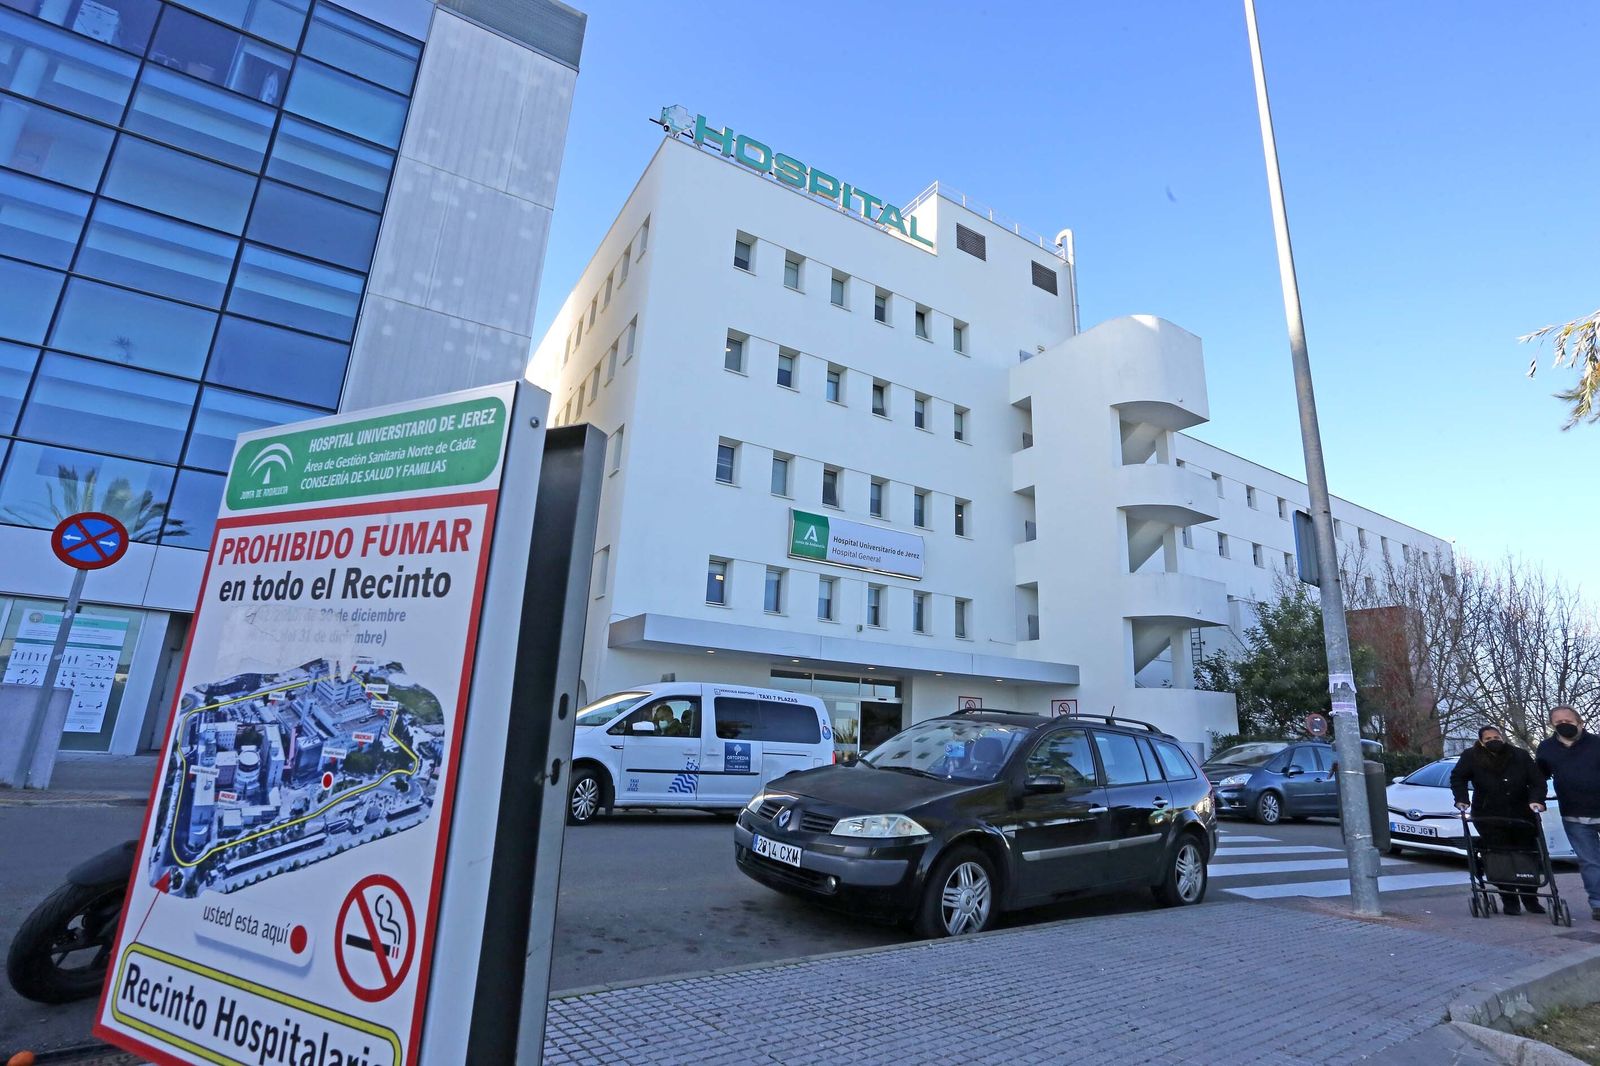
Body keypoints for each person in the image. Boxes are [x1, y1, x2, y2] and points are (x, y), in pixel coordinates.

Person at [1452, 724, 1547, 915]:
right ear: (1481, 741)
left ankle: (1530, 898)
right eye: (1488, 739)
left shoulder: (1519, 755)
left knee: (1526, 855)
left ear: (1502, 737)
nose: (1493, 741)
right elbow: (1458, 777)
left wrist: (1536, 800)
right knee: (1499, 857)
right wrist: (1462, 799)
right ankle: (1509, 898)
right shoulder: (1471, 756)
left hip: (1521, 814)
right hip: (1489, 814)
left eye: (1496, 737)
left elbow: (1537, 781)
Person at [1536, 706, 1600, 921]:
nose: (1564, 724)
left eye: (1568, 720)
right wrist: (1536, 799)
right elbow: (1539, 777)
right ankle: (1598, 904)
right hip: (1574, 814)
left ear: (1580, 722)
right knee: (1590, 862)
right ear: (1552, 724)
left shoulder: (1597, 744)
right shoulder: (1546, 748)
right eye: (1558, 721)